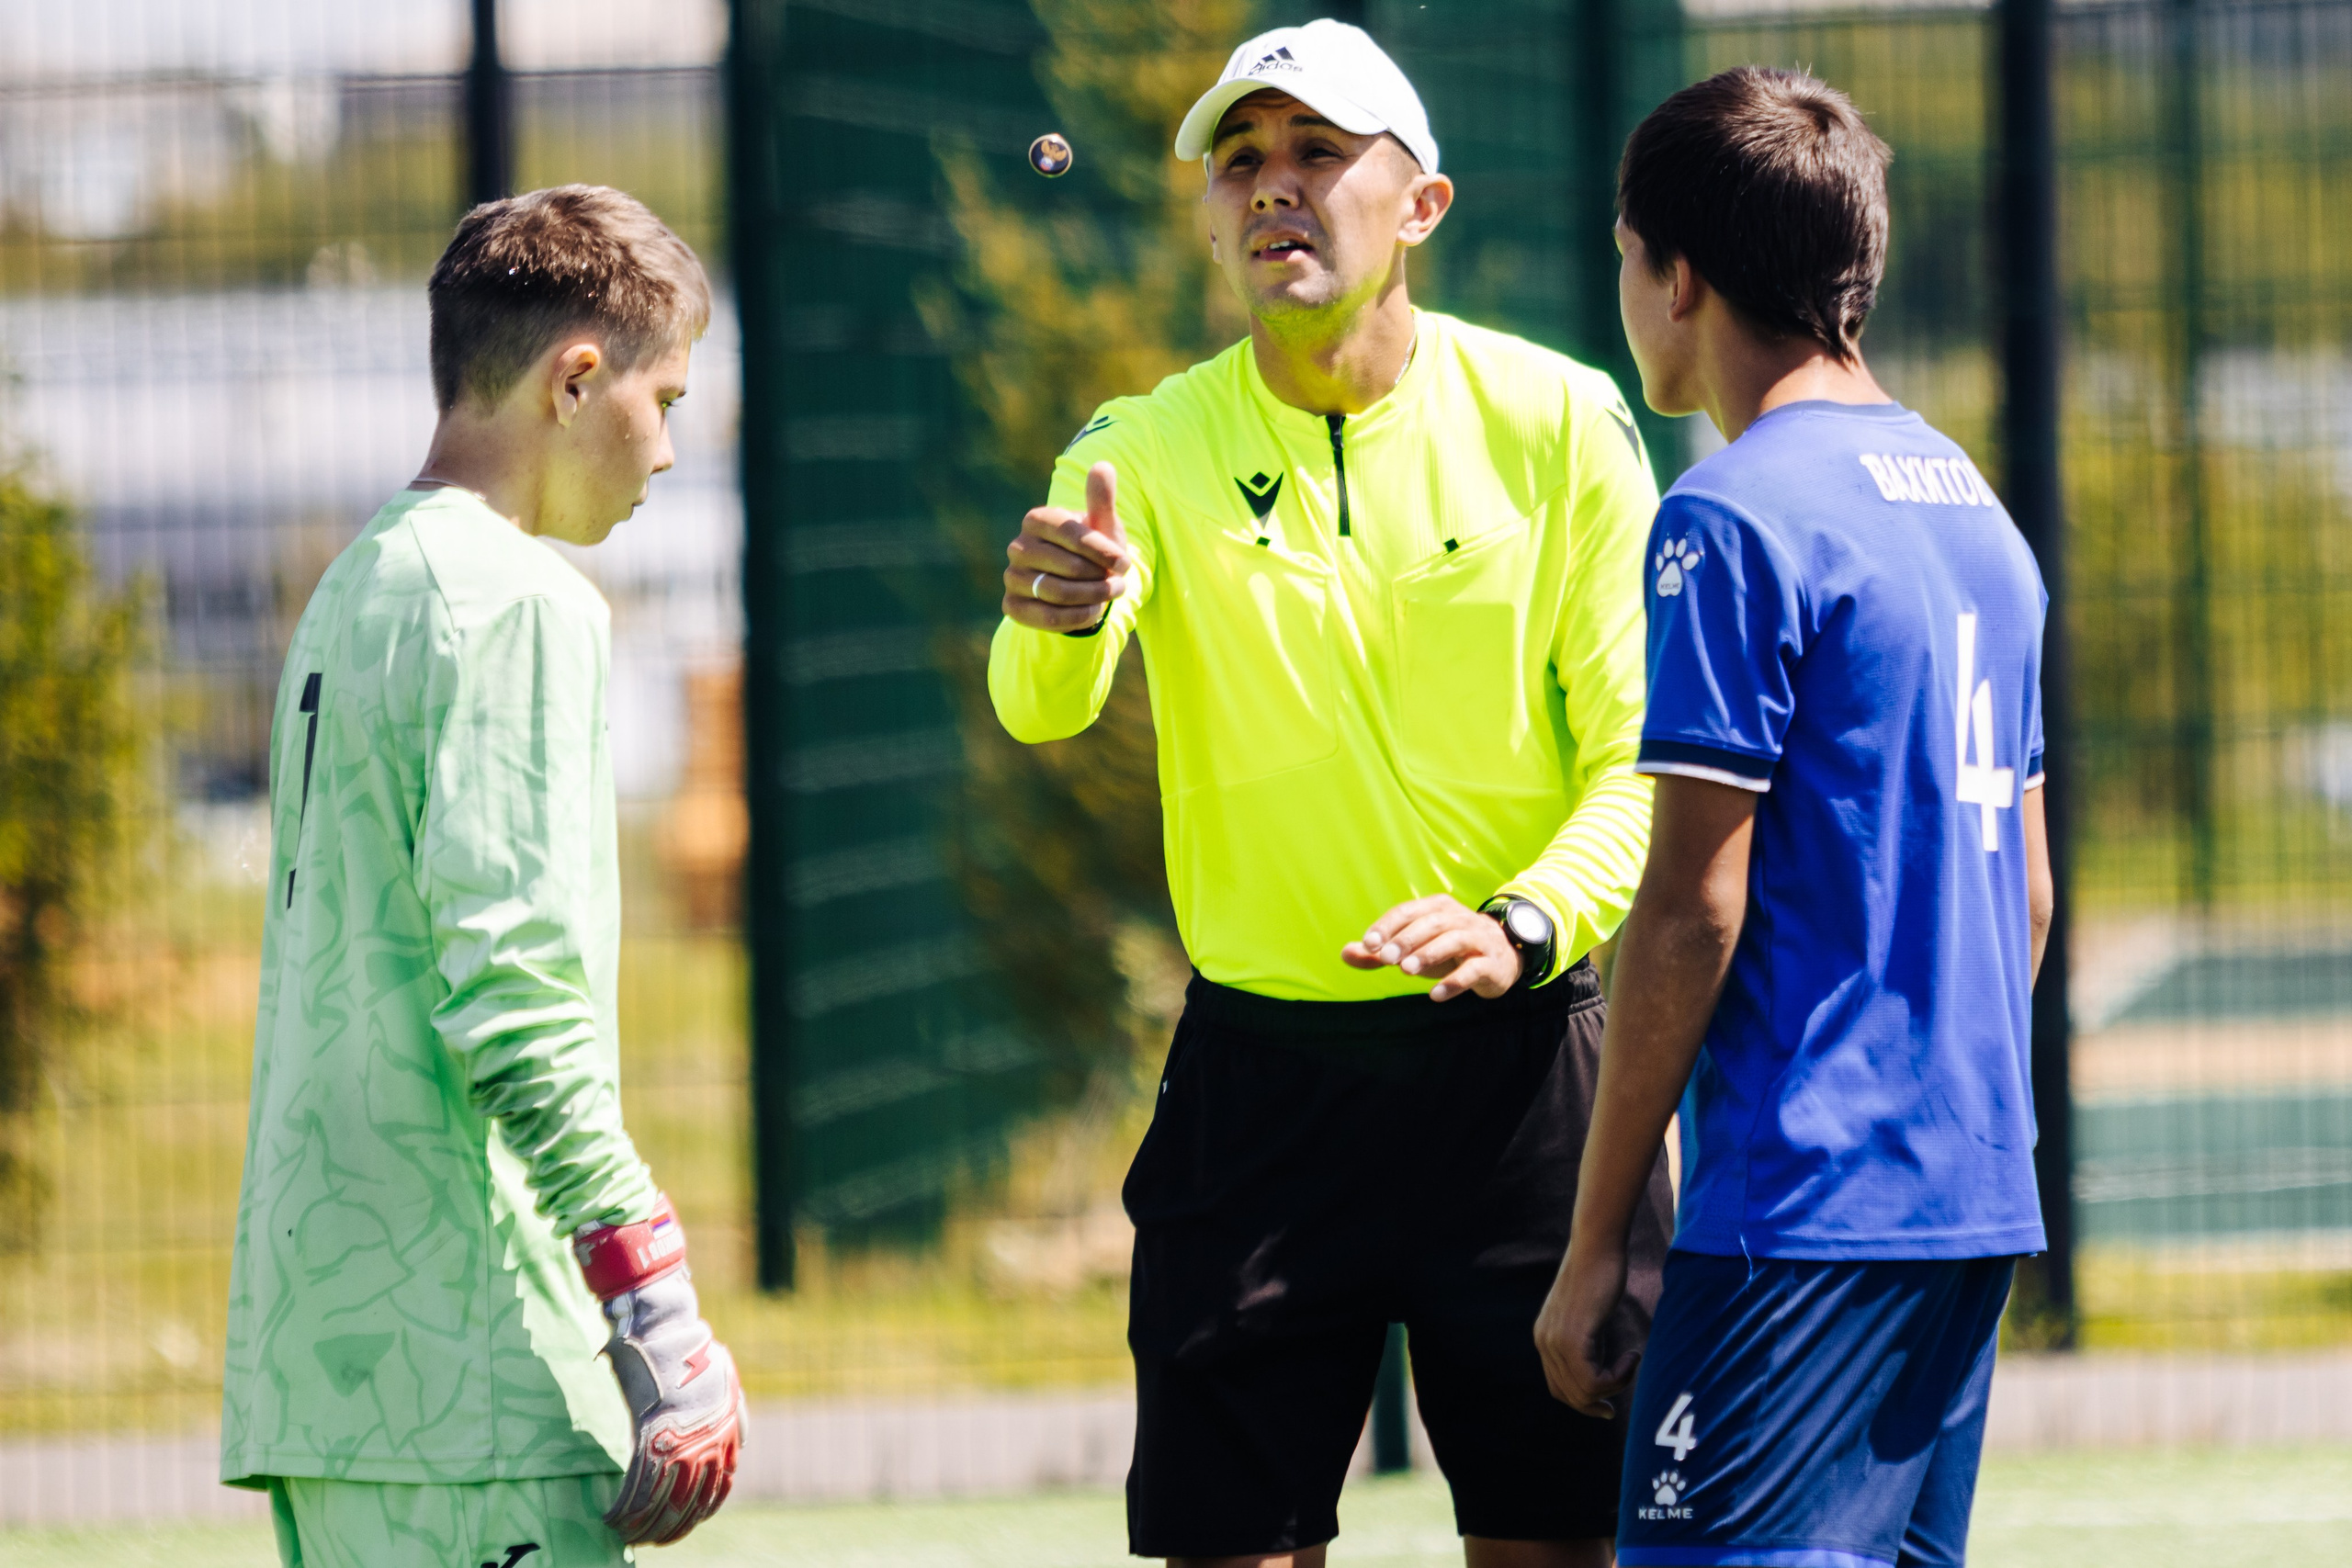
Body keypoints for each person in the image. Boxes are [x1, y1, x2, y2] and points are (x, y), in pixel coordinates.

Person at [988, 19, 1671, 1568]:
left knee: (1559, 1546)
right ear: (1213, 215)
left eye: (1314, 153)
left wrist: (1526, 922)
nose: (1271, 188)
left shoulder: (1561, 424)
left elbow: (1638, 762)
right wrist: (1058, 617)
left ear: (1419, 205)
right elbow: (1039, 707)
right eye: (1241, 162)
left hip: (1524, 1082)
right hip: (1261, 1100)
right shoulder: (1140, 447)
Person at [1532, 68, 2055, 1568]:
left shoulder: (1730, 516)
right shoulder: (1974, 510)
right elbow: (2020, 898)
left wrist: (1596, 1244)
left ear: (1677, 273)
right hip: (1969, 1200)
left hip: (1801, 1217)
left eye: (1624, 254)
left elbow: (1694, 905)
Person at [220, 185, 745, 1566]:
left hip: (325, 1364)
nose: (670, 452)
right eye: (667, 399)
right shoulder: (522, 604)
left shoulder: (356, 587)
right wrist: (655, 1299)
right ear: (579, 379)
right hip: (477, 1368)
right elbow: (514, 999)